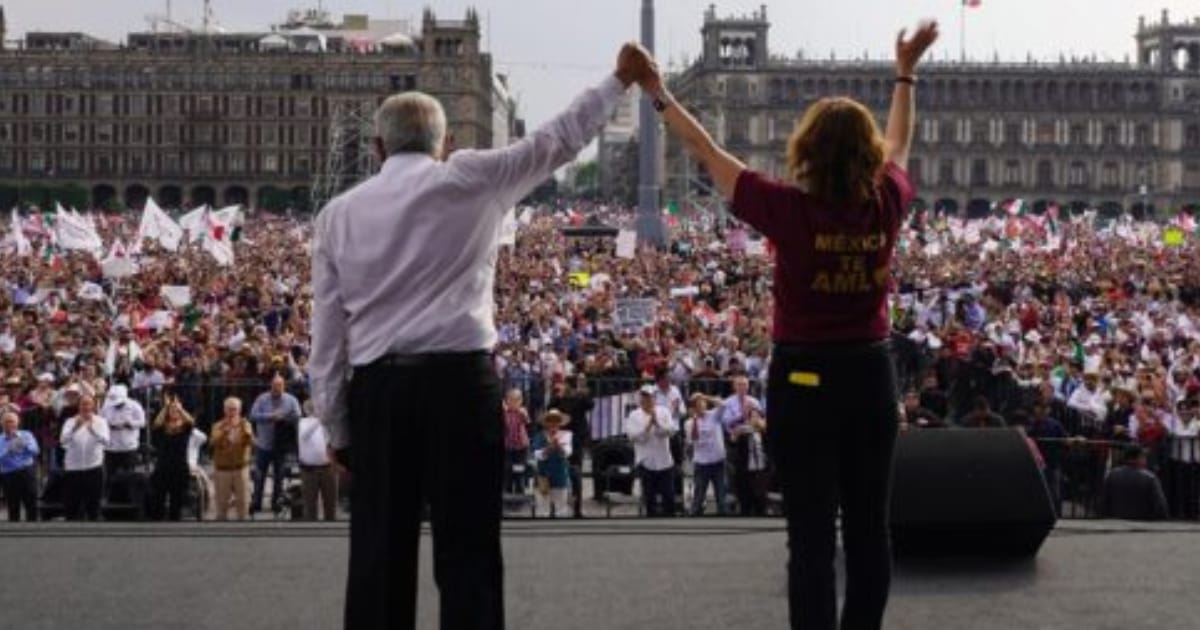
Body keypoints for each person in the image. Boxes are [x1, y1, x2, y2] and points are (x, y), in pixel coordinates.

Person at [309, 43, 647, 629]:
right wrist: (619, 80)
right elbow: (556, 140)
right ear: (442, 143)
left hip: (380, 393)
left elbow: (326, 336)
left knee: (377, 558)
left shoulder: (338, 214)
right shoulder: (472, 179)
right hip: (461, 388)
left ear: (377, 148)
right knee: (468, 553)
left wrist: (337, 425)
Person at [639, 21, 937, 629]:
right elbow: (902, 146)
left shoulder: (787, 209)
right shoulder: (887, 200)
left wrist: (659, 92)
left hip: (803, 378)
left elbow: (707, 152)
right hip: (871, 375)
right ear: (868, 154)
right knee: (869, 531)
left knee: (808, 539)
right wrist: (905, 73)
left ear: (804, 149)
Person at [248, 374, 301, 514]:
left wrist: (284, 417)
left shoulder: (291, 400)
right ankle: (257, 502)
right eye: (274, 386)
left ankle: (276, 503)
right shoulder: (261, 399)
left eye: (280, 385)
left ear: (284, 386)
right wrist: (270, 416)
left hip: (281, 446)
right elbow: (252, 415)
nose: (277, 388)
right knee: (259, 476)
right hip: (263, 445)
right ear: (270, 386)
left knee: (279, 476)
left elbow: (298, 417)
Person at [625, 385, 677, 517]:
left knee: (669, 497)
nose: (648, 400)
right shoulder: (634, 415)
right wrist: (648, 426)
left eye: (650, 397)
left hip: (664, 461)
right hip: (646, 462)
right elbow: (635, 437)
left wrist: (658, 423)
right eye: (645, 397)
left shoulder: (664, 411)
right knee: (649, 498)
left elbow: (670, 431)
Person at [720, 375, 768, 515]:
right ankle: (742, 505)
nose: (743, 387)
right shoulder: (727, 402)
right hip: (736, 442)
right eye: (739, 384)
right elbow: (726, 423)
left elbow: (760, 419)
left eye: (745, 384)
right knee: (740, 475)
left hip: (754, 439)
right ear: (734, 386)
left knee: (758, 480)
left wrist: (755, 420)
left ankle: (758, 508)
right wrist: (742, 415)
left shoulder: (754, 401)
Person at [60, 394, 110, 521]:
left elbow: (106, 442)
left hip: (93, 467)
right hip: (73, 468)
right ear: (79, 406)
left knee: (93, 505)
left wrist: (92, 429)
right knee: (72, 505)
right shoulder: (70, 421)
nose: (86, 407)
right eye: (83, 404)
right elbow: (63, 441)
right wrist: (75, 428)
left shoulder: (101, 421)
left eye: (88, 404)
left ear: (93, 406)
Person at [149, 395, 195, 521]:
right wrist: (165, 407)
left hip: (179, 468)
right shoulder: (162, 428)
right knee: (158, 499)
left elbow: (191, 421)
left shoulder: (185, 428)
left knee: (177, 500)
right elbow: (156, 424)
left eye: (177, 411)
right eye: (172, 410)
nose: (174, 411)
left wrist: (180, 409)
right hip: (162, 467)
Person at [210, 397, 254, 521]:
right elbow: (213, 442)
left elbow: (251, 441)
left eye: (234, 409)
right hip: (223, 470)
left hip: (241, 469)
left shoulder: (246, 424)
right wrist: (224, 431)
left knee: (243, 504)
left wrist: (245, 429)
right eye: (229, 409)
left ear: (239, 410)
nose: (231, 412)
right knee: (221, 504)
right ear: (224, 410)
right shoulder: (217, 425)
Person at [684, 393, 727, 516]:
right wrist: (696, 420)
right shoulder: (689, 423)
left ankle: (723, 518)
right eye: (697, 404)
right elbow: (694, 439)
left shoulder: (714, 415)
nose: (700, 406)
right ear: (693, 408)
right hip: (702, 463)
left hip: (718, 461)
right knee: (698, 497)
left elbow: (723, 404)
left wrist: (704, 396)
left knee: (721, 496)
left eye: (702, 403)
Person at [1099, 445, 1169, 521]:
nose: (1145, 460)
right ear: (1138, 458)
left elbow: (1103, 500)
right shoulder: (1150, 478)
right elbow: (1160, 505)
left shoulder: (1112, 475)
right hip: (1142, 521)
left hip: (1116, 520)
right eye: (1143, 457)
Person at [298, 401, 338, 521]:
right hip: (309, 469)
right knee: (310, 504)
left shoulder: (327, 423)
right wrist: (319, 420)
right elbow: (304, 435)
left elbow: (333, 440)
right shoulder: (303, 422)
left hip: (328, 467)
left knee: (331, 503)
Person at [530, 409, 573, 518]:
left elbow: (567, 453)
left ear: (559, 423)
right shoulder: (539, 436)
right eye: (550, 420)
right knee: (542, 510)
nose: (553, 423)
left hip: (559, 475)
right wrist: (548, 449)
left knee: (561, 509)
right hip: (543, 476)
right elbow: (536, 454)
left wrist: (558, 446)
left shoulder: (566, 435)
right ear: (546, 423)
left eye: (556, 421)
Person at [1, 408, 40, 521]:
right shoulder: (0, 440)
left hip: (26, 472)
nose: (9, 424)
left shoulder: (26, 435)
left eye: (12, 421)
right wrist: (9, 450)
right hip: (8, 475)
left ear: (17, 423)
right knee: (13, 507)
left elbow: (35, 451)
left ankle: (34, 533)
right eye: (6, 422)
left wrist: (23, 444)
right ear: (2, 424)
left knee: (31, 505)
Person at [502, 388, 531, 495]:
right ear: (506, 400)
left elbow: (527, 421)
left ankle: (520, 491)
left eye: (516, 400)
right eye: (510, 399)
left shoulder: (522, 411)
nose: (513, 402)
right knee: (508, 470)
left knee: (519, 470)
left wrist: (521, 411)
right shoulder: (505, 413)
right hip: (508, 446)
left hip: (521, 447)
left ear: (520, 401)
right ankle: (508, 491)